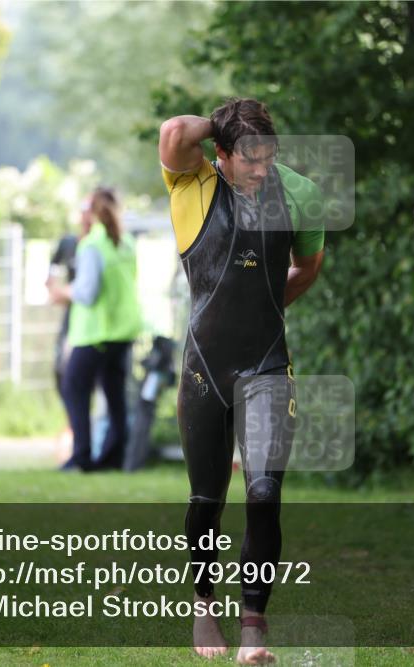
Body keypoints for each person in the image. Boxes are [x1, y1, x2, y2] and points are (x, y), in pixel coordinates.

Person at [158, 98, 325, 664]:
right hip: (204, 369)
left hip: (267, 365)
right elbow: (177, 131)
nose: (260, 169)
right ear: (221, 155)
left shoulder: (298, 193)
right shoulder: (193, 184)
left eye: (268, 157)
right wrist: (228, 119)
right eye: (248, 158)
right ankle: (204, 607)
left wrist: (264, 308)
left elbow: (307, 267)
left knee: (263, 493)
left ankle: (254, 624)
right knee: (207, 500)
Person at [48, 187, 142, 472]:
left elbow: (87, 293)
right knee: (115, 395)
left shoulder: (92, 245)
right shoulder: (125, 242)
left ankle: (82, 456)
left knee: (74, 388)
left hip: (96, 333)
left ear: (90, 212)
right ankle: (113, 457)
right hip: (124, 332)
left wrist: (64, 290)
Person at [47, 225, 78, 418]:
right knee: (61, 370)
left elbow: (87, 290)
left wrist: (68, 293)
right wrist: (55, 289)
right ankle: (73, 422)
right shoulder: (69, 243)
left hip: (97, 329)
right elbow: (52, 272)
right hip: (73, 321)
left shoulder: (100, 245)